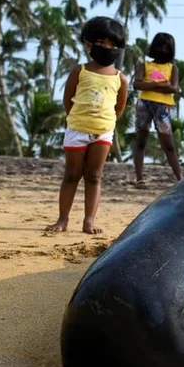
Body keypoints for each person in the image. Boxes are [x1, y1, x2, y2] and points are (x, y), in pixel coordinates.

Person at [46, 16, 129, 234]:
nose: (107, 48)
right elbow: (68, 100)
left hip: (103, 132)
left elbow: (119, 108)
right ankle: (62, 219)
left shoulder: (121, 78)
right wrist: (77, 120)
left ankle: (89, 220)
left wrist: (106, 124)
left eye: (113, 44)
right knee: (72, 174)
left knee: (94, 176)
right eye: (102, 42)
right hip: (77, 129)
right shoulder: (79, 71)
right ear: (88, 44)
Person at [132, 32, 182, 187]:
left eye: (167, 47)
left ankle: (180, 178)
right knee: (141, 140)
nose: (163, 50)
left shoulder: (172, 68)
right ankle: (139, 178)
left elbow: (173, 88)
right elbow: (136, 84)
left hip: (163, 106)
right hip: (145, 104)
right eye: (160, 46)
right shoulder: (144, 65)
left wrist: (150, 84)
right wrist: (160, 85)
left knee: (168, 143)